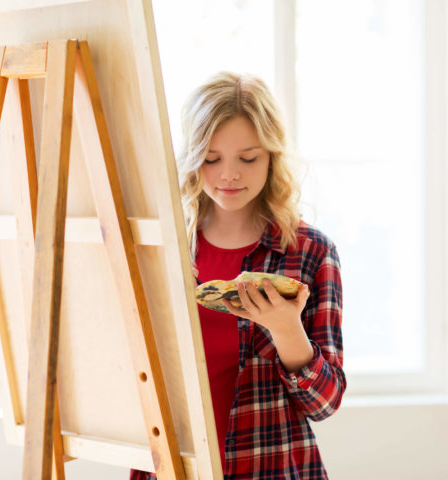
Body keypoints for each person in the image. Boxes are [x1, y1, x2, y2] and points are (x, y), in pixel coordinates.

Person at [131, 72, 346, 479]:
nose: (230, 174)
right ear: (193, 158)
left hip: (270, 467)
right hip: (170, 467)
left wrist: (287, 331)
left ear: (272, 158)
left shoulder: (310, 253)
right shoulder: (157, 245)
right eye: (212, 158)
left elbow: (325, 404)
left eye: (248, 158)